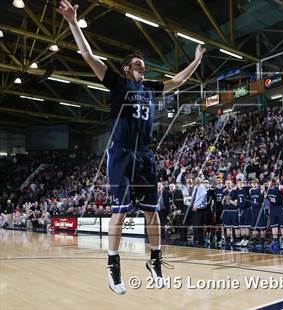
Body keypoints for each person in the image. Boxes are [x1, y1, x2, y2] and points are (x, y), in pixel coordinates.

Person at [57, 0, 205, 295]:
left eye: (144, 66)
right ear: (126, 70)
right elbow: (87, 55)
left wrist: (197, 61)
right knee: (121, 213)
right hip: (122, 152)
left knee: (153, 214)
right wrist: (73, 22)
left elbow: (178, 80)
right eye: (138, 65)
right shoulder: (117, 84)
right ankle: (113, 266)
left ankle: (156, 261)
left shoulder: (150, 89)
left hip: (146, 155)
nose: (143, 69)